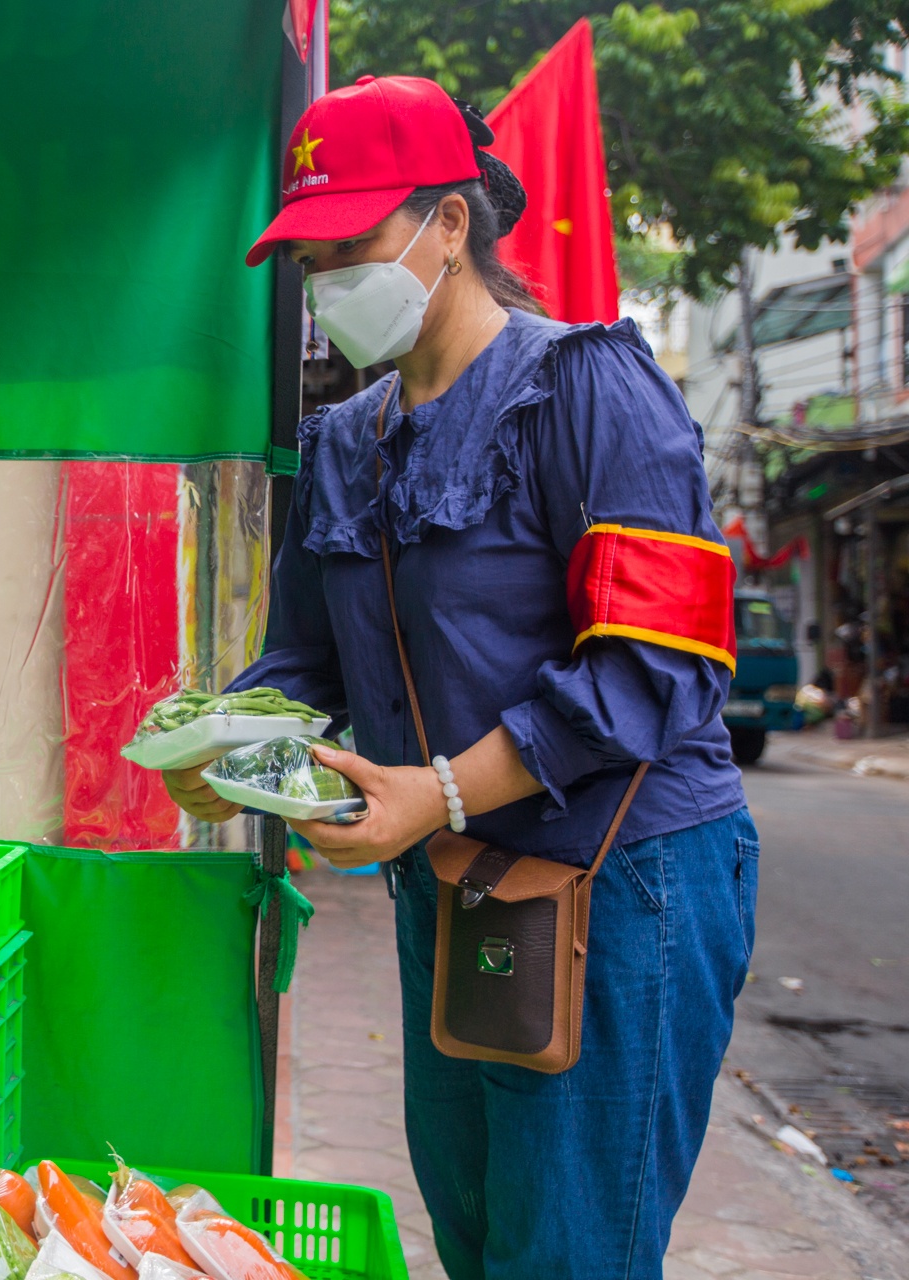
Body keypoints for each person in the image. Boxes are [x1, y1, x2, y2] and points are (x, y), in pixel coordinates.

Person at [165, 76, 757, 1278]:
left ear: (450, 223)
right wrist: (228, 747)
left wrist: (434, 792)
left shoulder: (591, 388)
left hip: (622, 882)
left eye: (355, 242)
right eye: (310, 253)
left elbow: (653, 669)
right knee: (480, 1237)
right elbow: (307, 660)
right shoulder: (345, 438)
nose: (329, 276)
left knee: (572, 1250)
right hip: (453, 887)